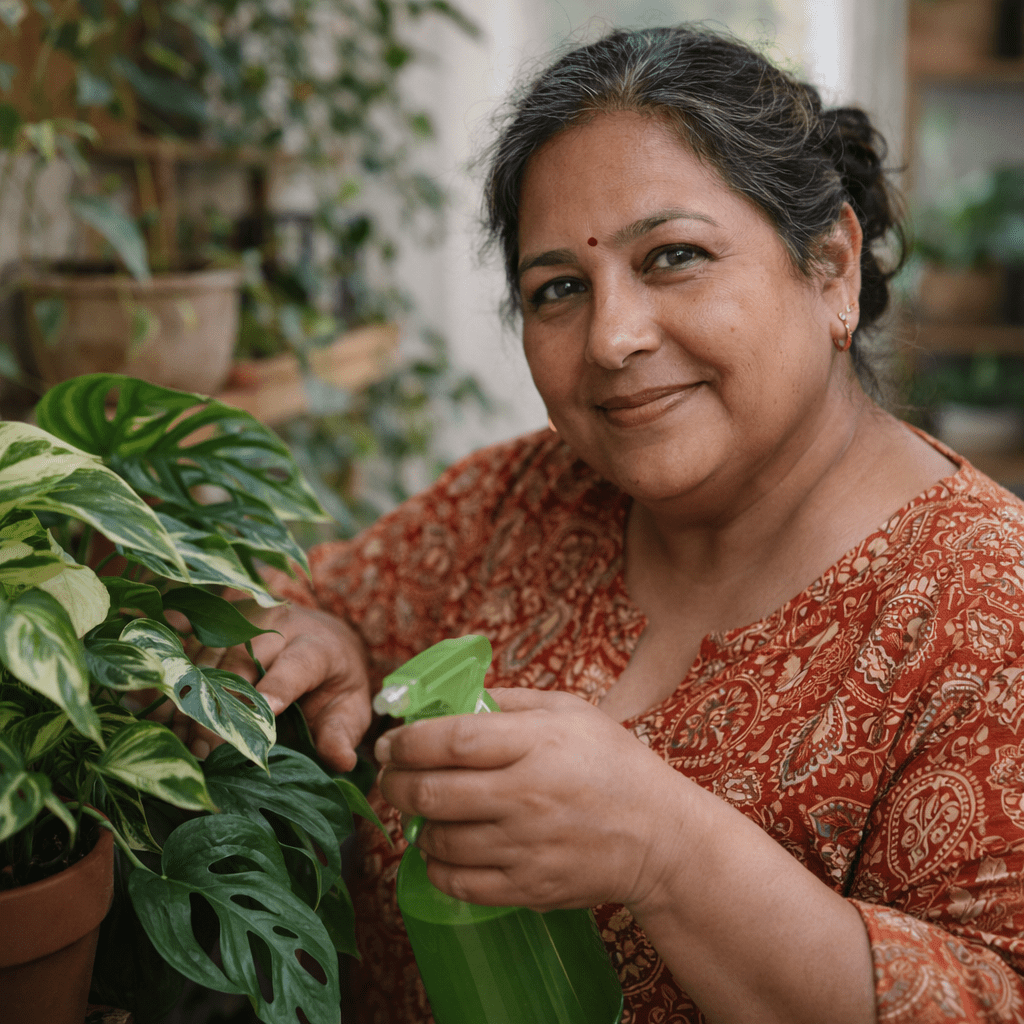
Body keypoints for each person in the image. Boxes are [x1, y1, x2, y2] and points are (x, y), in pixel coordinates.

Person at [197, 25, 1024, 1024]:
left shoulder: (986, 608)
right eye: (558, 288)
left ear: (832, 267)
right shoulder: (514, 503)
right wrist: (320, 636)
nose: (612, 337)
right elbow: (284, 606)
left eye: (672, 256)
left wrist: (663, 848)